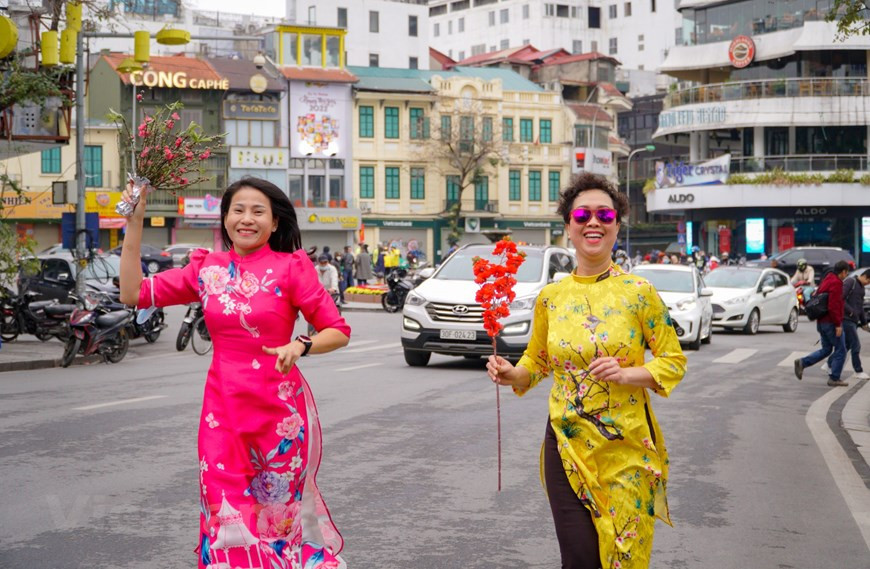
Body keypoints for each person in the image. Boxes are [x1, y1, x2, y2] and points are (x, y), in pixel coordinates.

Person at [118, 177, 351, 568]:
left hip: (278, 421)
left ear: (274, 223)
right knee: (224, 519)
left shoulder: (291, 268)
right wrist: (135, 221)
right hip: (221, 417)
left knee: (274, 524)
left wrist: (300, 344)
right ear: (225, 218)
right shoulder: (206, 268)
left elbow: (338, 330)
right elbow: (133, 293)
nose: (247, 219)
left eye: (258, 211)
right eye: (238, 210)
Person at [485, 172, 687, 569]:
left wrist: (628, 374)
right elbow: (537, 362)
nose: (593, 222)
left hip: (626, 449)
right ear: (568, 227)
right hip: (567, 444)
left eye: (604, 215)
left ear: (616, 227)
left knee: (624, 558)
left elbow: (673, 360)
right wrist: (513, 374)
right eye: (582, 215)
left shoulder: (639, 293)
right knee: (579, 558)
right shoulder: (551, 297)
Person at [794, 261, 851, 387]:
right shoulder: (836, 283)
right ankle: (834, 378)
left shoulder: (827, 279)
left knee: (826, 349)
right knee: (841, 350)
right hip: (831, 322)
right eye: (846, 273)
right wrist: (838, 324)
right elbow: (833, 305)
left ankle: (803, 362)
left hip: (821, 322)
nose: (846, 275)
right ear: (843, 272)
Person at [823, 269, 870, 381]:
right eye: (869, 281)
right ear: (865, 276)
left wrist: (864, 323)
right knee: (856, 345)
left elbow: (860, 307)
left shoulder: (861, 289)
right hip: (845, 319)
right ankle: (858, 371)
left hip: (853, 321)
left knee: (846, 345)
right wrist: (851, 311)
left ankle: (829, 363)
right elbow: (840, 298)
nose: (868, 283)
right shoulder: (850, 282)